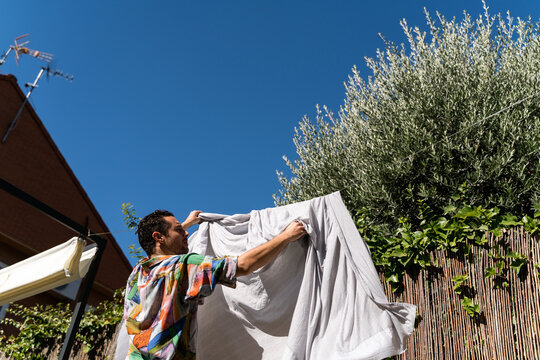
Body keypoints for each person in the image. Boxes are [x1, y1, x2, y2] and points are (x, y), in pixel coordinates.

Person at [123, 209, 307, 360]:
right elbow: (242, 265)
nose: (186, 233)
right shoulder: (184, 265)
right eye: (179, 230)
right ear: (159, 237)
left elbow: (158, 249)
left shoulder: (138, 272)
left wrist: (184, 225)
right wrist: (285, 236)